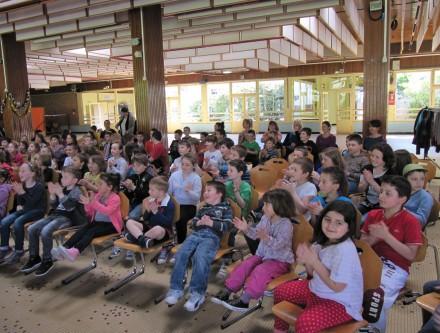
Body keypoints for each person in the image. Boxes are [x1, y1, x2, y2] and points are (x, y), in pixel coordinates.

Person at [273, 200, 363, 333]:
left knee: (306, 323)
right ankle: (280, 330)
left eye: (339, 223)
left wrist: (314, 261)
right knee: (280, 291)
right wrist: (307, 260)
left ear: (349, 227)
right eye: (327, 220)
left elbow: (337, 287)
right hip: (316, 289)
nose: (331, 226)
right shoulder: (324, 241)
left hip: (340, 303)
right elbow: (311, 273)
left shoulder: (345, 250)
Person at [212, 189, 295, 312]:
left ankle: (244, 301)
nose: (263, 207)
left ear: (279, 206)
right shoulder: (265, 219)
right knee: (246, 264)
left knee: (260, 270)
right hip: (263, 256)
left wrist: (266, 238)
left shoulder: (286, 224)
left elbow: (280, 245)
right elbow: (256, 235)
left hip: (279, 260)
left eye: (267, 204)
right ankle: (227, 290)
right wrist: (246, 229)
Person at [361, 175, 423, 333]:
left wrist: (387, 237)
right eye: (381, 191)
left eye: (388, 193)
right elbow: (363, 246)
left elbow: (410, 255)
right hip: (371, 261)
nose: (381, 196)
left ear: (402, 199)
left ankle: (376, 330)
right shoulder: (374, 215)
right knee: (351, 288)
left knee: (375, 299)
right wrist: (374, 238)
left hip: (395, 267)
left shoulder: (410, 221)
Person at [164, 181, 232, 312]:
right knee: (181, 254)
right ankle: (176, 289)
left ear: (219, 194)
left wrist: (212, 223)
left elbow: (228, 226)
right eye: (205, 191)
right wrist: (199, 222)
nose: (205, 193)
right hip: (195, 235)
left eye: (209, 190)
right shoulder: (203, 208)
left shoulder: (226, 208)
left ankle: (197, 293)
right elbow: (193, 223)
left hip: (211, 237)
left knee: (200, 257)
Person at [22, 167, 87, 276]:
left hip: (69, 218)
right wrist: (52, 195)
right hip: (56, 215)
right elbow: (56, 206)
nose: (62, 179)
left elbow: (69, 208)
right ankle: (34, 257)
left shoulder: (77, 191)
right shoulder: (63, 188)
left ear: (75, 180)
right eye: (62, 177)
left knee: (45, 231)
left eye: (66, 177)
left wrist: (60, 194)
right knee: (31, 229)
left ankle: (47, 260)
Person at [51, 173, 123, 262]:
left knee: (91, 232)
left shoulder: (115, 198)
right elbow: (89, 212)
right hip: (97, 223)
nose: (97, 186)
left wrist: (92, 202)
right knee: (83, 229)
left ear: (109, 187)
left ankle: (76, 251)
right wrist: (87, 204)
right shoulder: (98, 195)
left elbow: (107, 211)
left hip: (111, 225)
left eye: (100, 184)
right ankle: (65, 248)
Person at [0, 163, 46, 264]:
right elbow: (21, 202)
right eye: (20, 171)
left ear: (32, 173)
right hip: (25, 210)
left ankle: (19, 250)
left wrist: (21, 192)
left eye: (23, 171)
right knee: (4, 222)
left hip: (37, 211)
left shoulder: (39, 186)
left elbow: (31, 204)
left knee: (18, 222)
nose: (20, 173)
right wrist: (20, 194)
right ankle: (4, 248)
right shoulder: (23, 185)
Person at [124, 176, 175, 252]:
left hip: (162, 231)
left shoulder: (169, 204)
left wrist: (156, 212)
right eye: (149, 189)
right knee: (129, 222)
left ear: (161, 192)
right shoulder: (153, 200)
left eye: (152, 190)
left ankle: (136, 238)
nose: (149, 192)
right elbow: (145, 219)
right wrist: (148, 210)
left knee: (157, 229)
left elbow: (167, 223)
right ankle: (143, 240)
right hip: (149, 227)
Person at [168, 154, 202, 244]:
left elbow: (197, 197)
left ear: (193, 166)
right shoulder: (174, 175)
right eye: (182, 164)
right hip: (176, 203)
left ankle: (181, 243)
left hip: (189, 205)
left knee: (181, 218)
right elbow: (168, 192)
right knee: (162, 214)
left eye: (187, 165)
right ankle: (167, 241)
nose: (184, 167)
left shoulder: (196, 178)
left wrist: (189, 191)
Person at [358, 143, 395, 214]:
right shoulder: (367, 168)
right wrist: (364, 182)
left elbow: (386, 194)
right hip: (367, 203)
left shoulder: (391, 173)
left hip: (383, 205)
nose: (373, 159)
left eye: (377, 157)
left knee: (364, 220)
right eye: (372, 155)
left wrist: (371, 181)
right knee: (355, 215)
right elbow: (360, 190)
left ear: (386, 159)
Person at [279, 157, 317, 221]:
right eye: (290, 169)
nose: (291, 172)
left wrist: (292, 192)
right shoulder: (293, 183)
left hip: (299, 223)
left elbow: (303, 210)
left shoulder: (310, 187)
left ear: (305, 174)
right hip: (286, 217)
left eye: (295, 170)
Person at [121, 153, 153, 220]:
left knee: (132, 216)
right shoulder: (133, 177)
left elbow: (146, 195)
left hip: (144, 203)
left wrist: (133, 188)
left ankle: (138, 227)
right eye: (133, 166)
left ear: (145, 165)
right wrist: (128, 189)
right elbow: (127, 195)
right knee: (122, 213)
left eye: (138, 166)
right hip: (133, 202)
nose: (135, 168)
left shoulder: (149, 178)